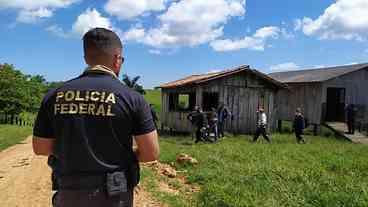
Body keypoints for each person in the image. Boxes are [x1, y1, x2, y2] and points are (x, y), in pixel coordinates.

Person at [32, 28, 159, 207]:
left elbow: (40, 148)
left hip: (69, 193)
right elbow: (151, 152)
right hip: (116, 194)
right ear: (117, 59)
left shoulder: (54, 95)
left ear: (86, 58)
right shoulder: (133, 98)